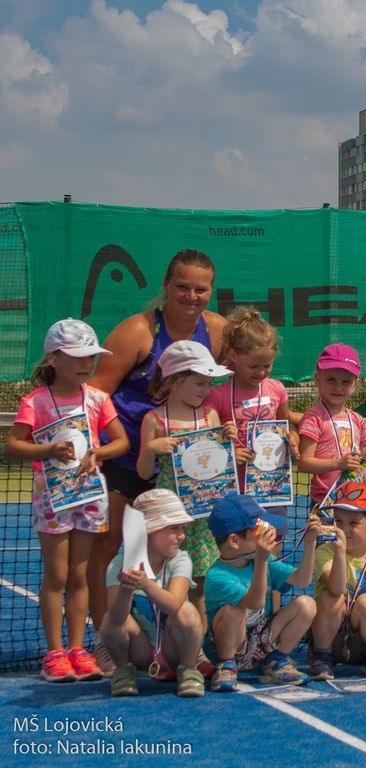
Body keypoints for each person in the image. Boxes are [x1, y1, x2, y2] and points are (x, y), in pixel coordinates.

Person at [88, 249, 227, 630]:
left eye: (201, 289)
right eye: (182, 287)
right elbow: (96, 395)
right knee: (112, 545)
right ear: (166, 285)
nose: (191, 296)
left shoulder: (216, 330)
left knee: (180, 553)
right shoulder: (137, 331)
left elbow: (243, 381)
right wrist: (93, 450)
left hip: (182, 470)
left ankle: (177, 635)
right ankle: (106, 634)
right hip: (126, 459)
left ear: (211, 291)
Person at [5, 319, 129, 682]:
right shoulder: (35, 401)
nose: (86, 363)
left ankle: (78, 650)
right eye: (77, 356)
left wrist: (97, 452)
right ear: (54, 358)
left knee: (79, 574)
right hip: (52, 497)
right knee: (57, 575)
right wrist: (48, 450)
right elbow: (13, 445)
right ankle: (54, 653)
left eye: (90, 356)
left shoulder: (98, 399)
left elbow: (121, 442)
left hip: (89, 497)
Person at [136, 339, 235, 622]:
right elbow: (144, 472)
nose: (206, 390)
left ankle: (200, 641)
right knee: (170, 579)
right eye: (200, 383)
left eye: (209, 384)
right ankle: (168, 636)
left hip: (203, 513)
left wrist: (228, 439)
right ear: (175, 381)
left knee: (201, 583)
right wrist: (151, 449)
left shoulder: (209, 415)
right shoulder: (154, 420)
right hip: (170, 516)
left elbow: (220, 464)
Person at [203, 494, 319, 691]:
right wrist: (262, 561)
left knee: (306, 604)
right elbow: (255, 603)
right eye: (258, 528)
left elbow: (302, 580)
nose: (268, 531)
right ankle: (226, 665)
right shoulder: (217, 575)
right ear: (234, 541)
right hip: (231, 644)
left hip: (260, 642)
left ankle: (275, 661)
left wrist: (310, 543)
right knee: (234, 611)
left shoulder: (259, 560)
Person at [100, 489, 206, 697]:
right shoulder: (118, 565)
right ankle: (123, 669)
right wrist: (126, 590)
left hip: (171, 647)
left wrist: (146, 584)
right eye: (174, 528)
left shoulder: (180, 560)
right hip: (139, 650)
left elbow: (174, 605)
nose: (182, 536)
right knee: (109, 620)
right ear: (148, 531)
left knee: (187, 611)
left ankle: (188, 668)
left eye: (182, 528)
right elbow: (116, 619)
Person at [309, 481, 366, 681]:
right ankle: (321, 656)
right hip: (330, 638)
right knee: (332, 598)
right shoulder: (325, 552)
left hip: (362, 643)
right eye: (339, 522)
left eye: (353, 523)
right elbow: (336, 588)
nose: (344, 529)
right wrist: (340, 552)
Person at [204, 307, 297, 495]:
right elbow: (208, 440)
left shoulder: (277, 389)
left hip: (271, 485)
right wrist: (229, 455)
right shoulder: (217, 395)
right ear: (233, 355)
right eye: (253, 366)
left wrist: (294, 438)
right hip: (231, 487)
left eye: (267, 365)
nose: (261, 372)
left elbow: (287, 424)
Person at [298, 343, 366, 509]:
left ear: (355, 384)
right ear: (317, 379)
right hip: (325, 502)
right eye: (331, 380)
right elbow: (304, 463)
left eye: (346, 382)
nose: (338, 387)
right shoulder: (313, 418)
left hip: (355, 499)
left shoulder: (358, 420)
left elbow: (364, 461)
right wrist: (338, 464)